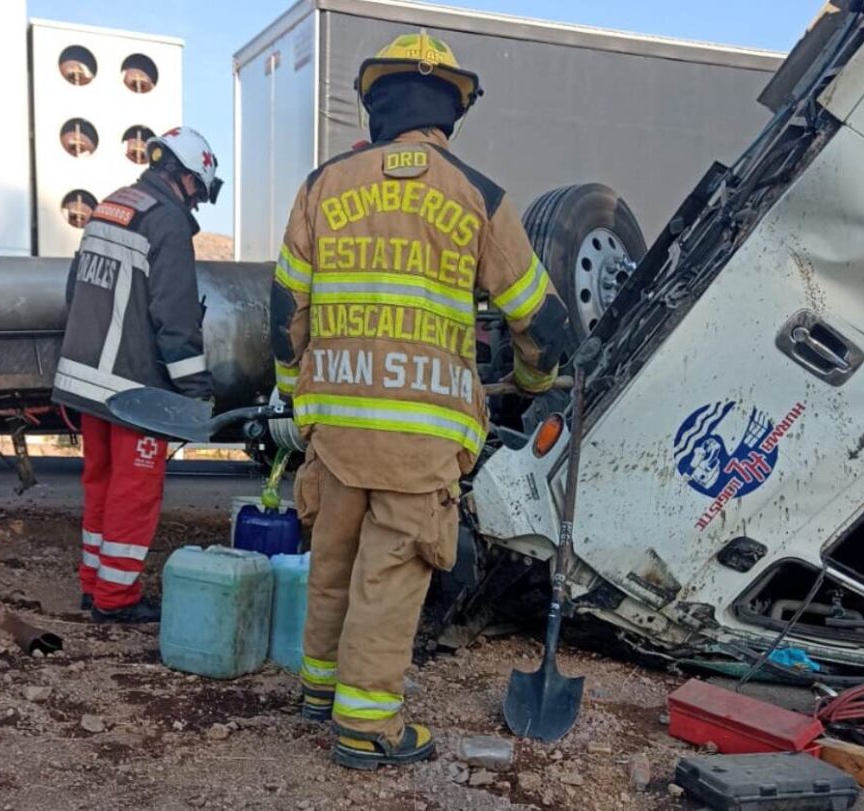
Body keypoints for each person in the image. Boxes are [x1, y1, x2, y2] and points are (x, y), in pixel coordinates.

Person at [270, 32, 568, 768]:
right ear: (448, 112)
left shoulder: (321, 186)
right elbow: (542, 321)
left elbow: (284, 308)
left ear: (376, 106)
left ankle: (319, 691)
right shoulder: (480, 197)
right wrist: (531, 384)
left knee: (333, 558)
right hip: (421, 432)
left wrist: (293, 395)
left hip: (335, 426)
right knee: (390, 570)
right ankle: (367, 725)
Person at [53, 126, 222, 624]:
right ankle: (116, 598)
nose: (196, 206)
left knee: (101, 485)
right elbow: (175, 316)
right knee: (135, 491)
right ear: (189, 178)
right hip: (132, 391)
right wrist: (196, 394)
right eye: (199, 193)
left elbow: (73, 292)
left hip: (87, 382)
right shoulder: (166, 222)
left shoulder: (111, 205)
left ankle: (93, 585)